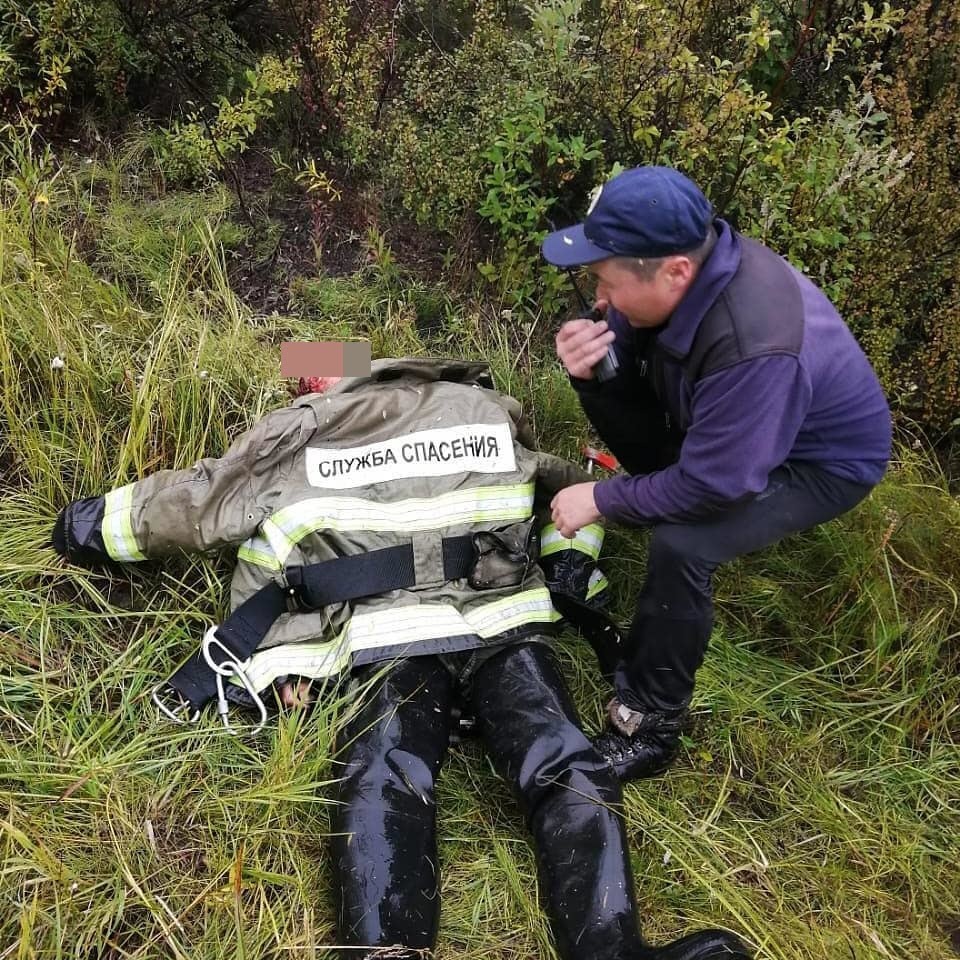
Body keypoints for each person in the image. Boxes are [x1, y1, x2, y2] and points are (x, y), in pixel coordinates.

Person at [51, 358, 752, 960]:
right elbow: (571, 496)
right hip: (502, 624)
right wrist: (573, 569)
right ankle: (612, 947)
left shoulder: (304, 429)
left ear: (323, 383)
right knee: (566, 761)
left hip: (388, 637)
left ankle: (386, 948)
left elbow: (199, 499)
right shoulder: (484, 408)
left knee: (384, 771)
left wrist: (84, 525)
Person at [542, 166, 892, 783]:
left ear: (675, 271)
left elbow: (714, 485)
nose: (600, 298)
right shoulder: (688, 268)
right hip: (740, 424)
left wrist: (603, 498)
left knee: (684, 541)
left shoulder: (752, 344)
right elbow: (631, 344)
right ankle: (657, 489)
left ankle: (649, 724)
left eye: (606, 282)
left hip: (820, 462)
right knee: (653, 452)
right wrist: (593, 370)